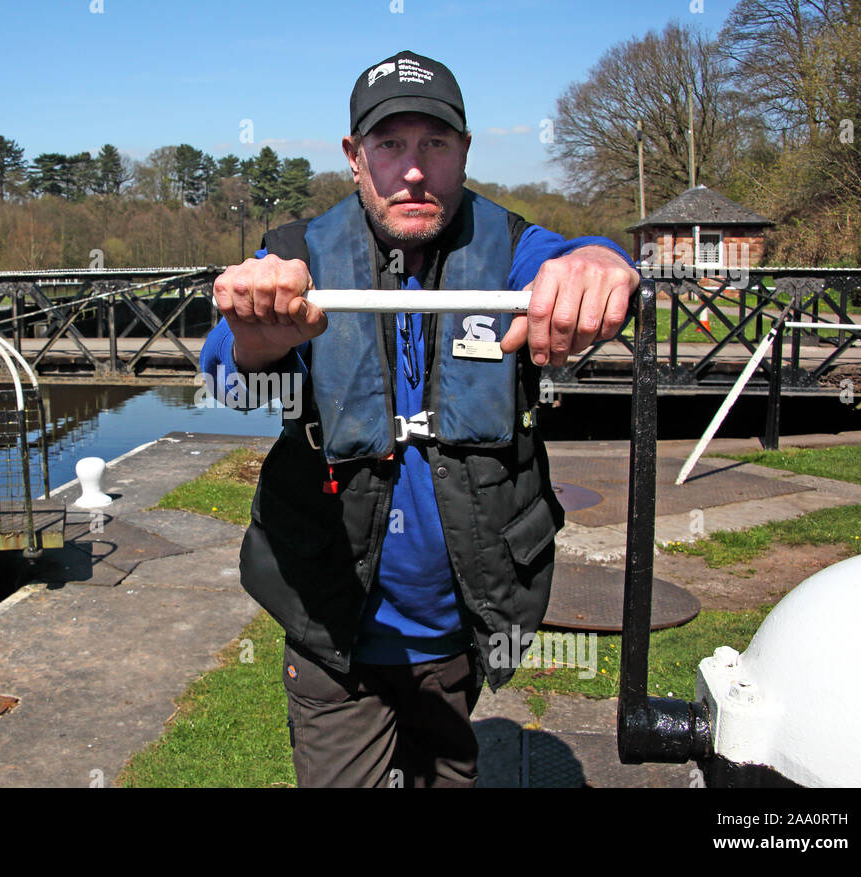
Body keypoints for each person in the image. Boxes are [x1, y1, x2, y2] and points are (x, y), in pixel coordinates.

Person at [200, 50, 639, 788]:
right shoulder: (294, 253)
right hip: (332, 629)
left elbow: (573, 259)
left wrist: (601, 260)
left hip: (464, 623)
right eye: (391, 144)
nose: (413, 169)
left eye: (435, 144)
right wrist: (253, 335)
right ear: (353, 155)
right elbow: (220, 374)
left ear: (464, 151)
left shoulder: (509, 247)